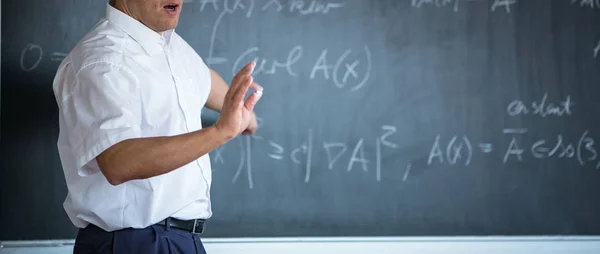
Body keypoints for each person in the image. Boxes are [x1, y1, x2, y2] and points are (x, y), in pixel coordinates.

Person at [52, 0, 263, 253]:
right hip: (132, 243)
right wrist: (221, 132)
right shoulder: (103, 61)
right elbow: (119, 161)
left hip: (182, 240)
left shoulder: (170, 46)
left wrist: (245, 117)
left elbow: (205, 81)